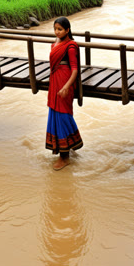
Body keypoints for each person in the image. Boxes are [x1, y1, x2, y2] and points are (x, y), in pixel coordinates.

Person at [46, 17, 83, 170]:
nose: (57, 32)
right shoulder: (55, 44)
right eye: (55, 29)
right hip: (55, 81)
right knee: (54, 114)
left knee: (63, 116)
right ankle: (69, 144)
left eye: (60, 29)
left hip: (64, 82)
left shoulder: (71, 47)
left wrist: (67, 87)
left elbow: (74, 70)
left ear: (67, 30)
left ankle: (65, 157)